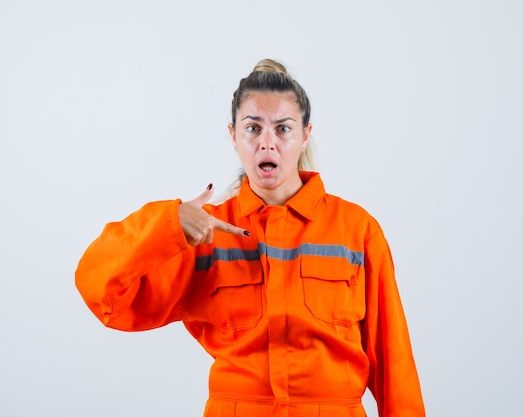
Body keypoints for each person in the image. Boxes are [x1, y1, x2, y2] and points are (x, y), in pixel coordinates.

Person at [75, 59, 425, 417]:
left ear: (306, 134)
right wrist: (169, 224)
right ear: (233, 136)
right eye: (253, 128)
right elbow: (99, 288)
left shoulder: (357, 230)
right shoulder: (204, 233)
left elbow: (393, 360)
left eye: (283, 129)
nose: (267, 143)